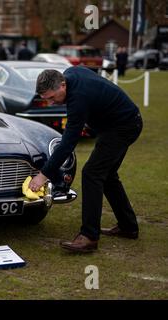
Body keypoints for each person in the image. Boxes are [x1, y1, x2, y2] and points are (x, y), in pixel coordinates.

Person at [30, 67, 143, 253]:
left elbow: (67, 143)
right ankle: (128, 226)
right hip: (117, 124)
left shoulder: (78, 98)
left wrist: (43, 175)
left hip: (124, 126)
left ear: (63, 85)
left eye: (52, 98)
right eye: (46, 99)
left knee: (92, 173)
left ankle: (89, 237)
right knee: (107, 176)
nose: (50, 103)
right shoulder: (70, 73)